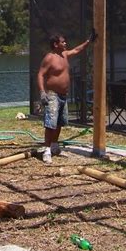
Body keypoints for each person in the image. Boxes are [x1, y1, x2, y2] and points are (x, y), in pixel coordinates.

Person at [37, 31, 96, 165]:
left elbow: (76, 50)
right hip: (52, 94)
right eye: (63, 42)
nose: (65, 43)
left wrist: (88, 41)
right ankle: (47, 150)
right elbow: (40, 74)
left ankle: (54, 145)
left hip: (63, 95)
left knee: (59, 122)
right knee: (50, 124)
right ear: (55, 44)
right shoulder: (49, 58)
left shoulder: (64, 55)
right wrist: (42, 92)